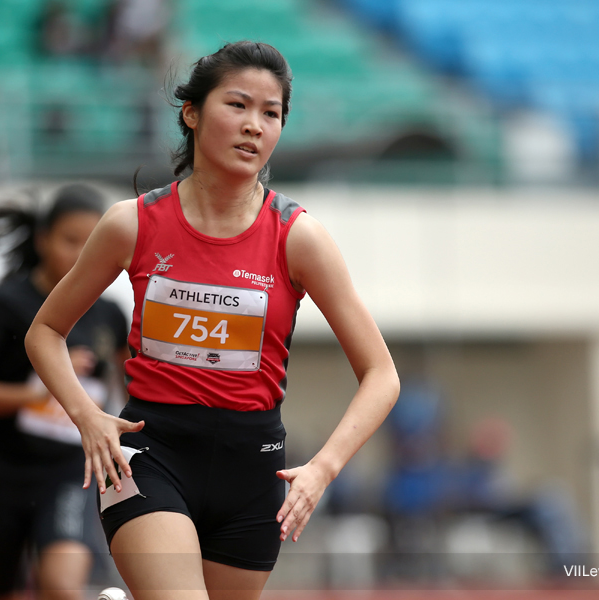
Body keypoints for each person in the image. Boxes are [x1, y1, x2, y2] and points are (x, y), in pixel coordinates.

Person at [25, 41, 400, 600]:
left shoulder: (299, 238)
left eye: (271, 114)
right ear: (192, 112)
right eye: (238, 105)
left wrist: (324, 466)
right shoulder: (132, 225)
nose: (255, 126)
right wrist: (87, 416)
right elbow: (44, 331)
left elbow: (382, 375)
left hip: (253, 477)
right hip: (152, 459)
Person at [0, 184, 130, 600]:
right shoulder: (7, 304)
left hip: (71, 471)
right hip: (3, 470)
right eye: (70, 241)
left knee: (61, 586)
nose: (80, 254)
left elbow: (133, 379)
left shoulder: (109, 313)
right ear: (42, 239)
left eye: (92, 244)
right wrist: (34, 395)